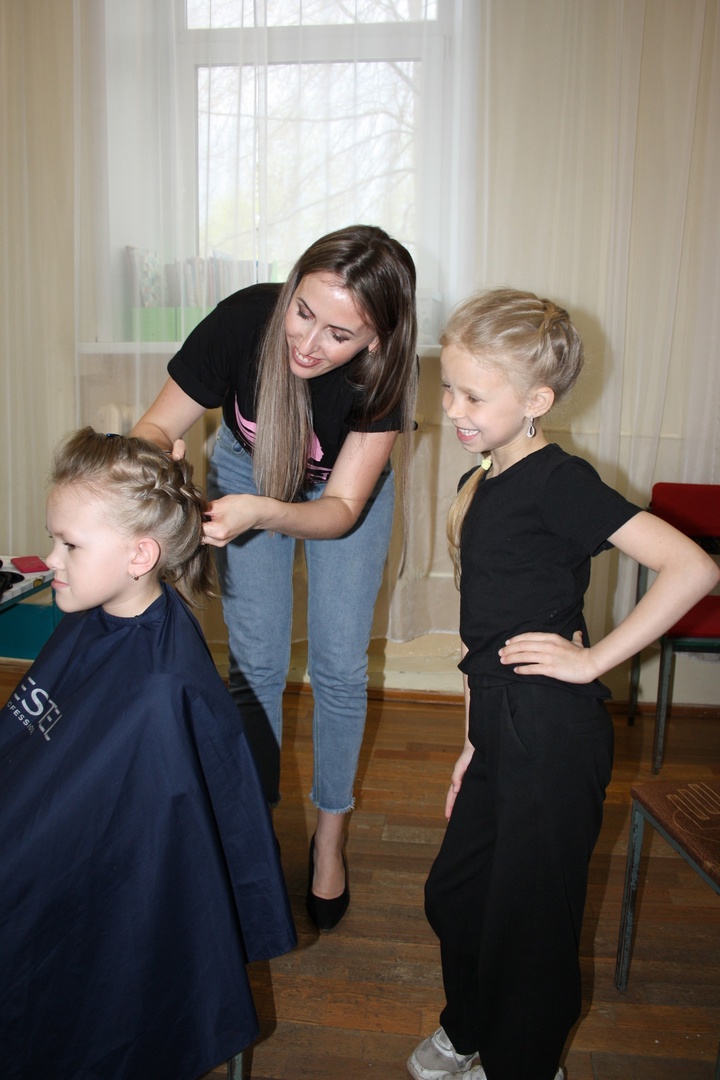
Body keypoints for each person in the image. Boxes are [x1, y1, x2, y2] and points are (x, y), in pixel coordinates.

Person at [407, 288, 720, 1080]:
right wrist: (471, 745)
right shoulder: (482, 481)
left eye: (474, 395)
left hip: (551, 730)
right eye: (449, 387)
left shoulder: (559, 480)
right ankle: (472, 1026)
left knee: (530, 921)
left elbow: (691, 567)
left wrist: (592, 660)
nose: (453, 409)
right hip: (499, 724)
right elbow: (483, 640)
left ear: (536, 401)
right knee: (457, 894)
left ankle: (524, 1062)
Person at [131, 224, 418, 931]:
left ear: (376, 341)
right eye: (303, 312)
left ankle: (330, 840)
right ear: (289, 291)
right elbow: (153, 427)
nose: (308, 344)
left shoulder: (385, 375)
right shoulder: (243, 319)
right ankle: (249, 831)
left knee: (340, 668)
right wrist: (159, 462)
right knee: (255, 663)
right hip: (245, 466)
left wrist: (265, 511)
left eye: (339, 335)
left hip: (340, 498)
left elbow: (340, 510)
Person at [0, 428, 297, 1080]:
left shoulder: (161, 691)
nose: (49, 560)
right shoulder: (98, 612)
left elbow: (112, 835)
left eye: (69, 544)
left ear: (140, 554)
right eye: (54, 540)